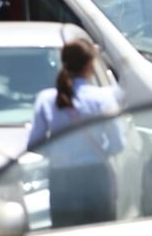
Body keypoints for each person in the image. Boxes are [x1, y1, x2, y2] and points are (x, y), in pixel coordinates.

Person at [28, 38, 125, 227]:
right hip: (95, 177)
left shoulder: (46, 99)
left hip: (62, 178)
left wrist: (57, 154)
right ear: (90, 65)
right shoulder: (103, 98)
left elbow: (34, 144)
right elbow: (118, 143)